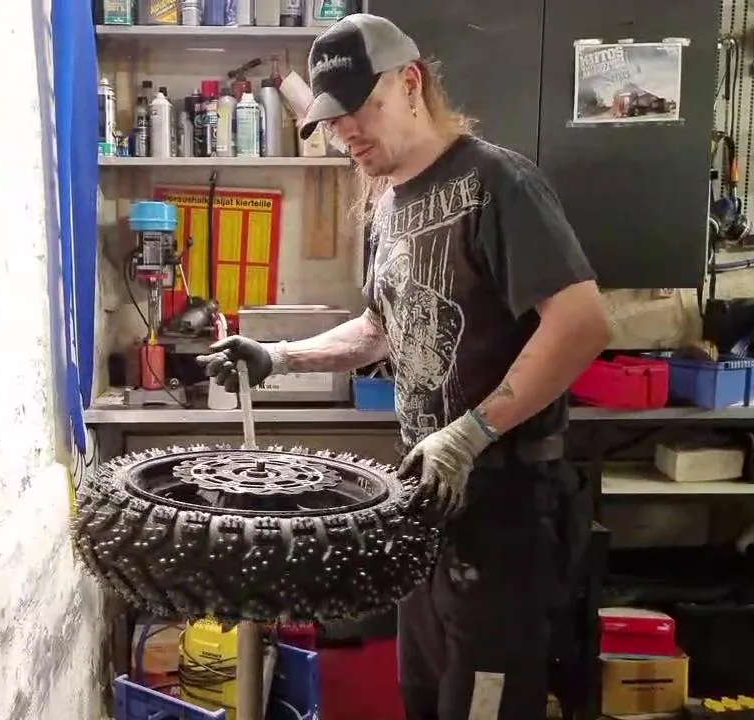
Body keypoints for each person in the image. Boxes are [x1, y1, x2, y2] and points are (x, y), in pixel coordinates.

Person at [197, 12, 612, 720]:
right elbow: (381, 328)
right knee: (421, 696)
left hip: (504, 505)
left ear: (411, 83)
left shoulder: (497, 182)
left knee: (483, 707)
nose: (346, 132)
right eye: (333, 120)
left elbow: (582, 324)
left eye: (359, 109)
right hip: (428, 501)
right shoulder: (388, 203)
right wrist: (280, 355)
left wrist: (470, 433)